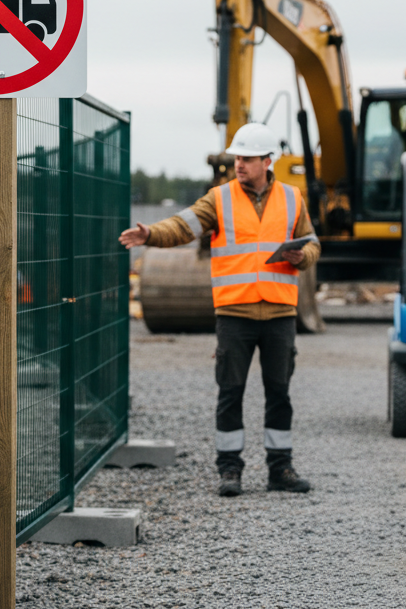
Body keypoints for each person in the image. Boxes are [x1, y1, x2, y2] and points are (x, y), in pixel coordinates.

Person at [119, 123, 320, 497]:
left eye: (247, 159)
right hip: (235, 314)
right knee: (231, 392)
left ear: (267, 161)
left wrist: (302, 256)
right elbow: (182, 226)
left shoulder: (293, 198)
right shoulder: (220, 198)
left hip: (279, 313)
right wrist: (151, 235)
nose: (239, 164)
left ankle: (280, 469)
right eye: (237, 158)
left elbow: (313, 244)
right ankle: (230, 470)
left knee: (279, 393)